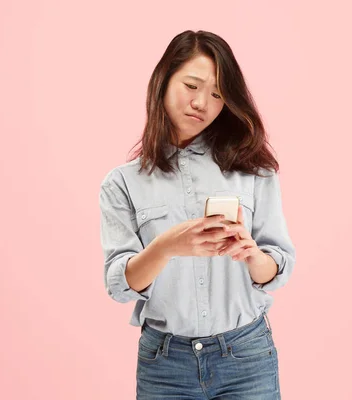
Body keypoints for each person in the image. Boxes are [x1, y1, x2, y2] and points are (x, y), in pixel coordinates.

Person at [99, 30, 296, 400]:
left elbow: (277, 269)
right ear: (163, 81)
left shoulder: (254, 171)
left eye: (218, 94)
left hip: (247, 356)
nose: (202, 103)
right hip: (165, 363)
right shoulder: (121, 183)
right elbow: (118, 286)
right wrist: (165, 247)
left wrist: (252, 254)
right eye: (191, 85)